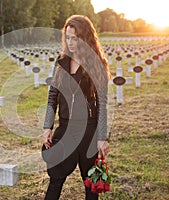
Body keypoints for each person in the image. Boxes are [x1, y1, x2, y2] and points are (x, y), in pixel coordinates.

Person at [42, 15, 110, 200]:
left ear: (85, 38)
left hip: (88, 130)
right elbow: (52, 97)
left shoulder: (97, 64)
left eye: (75, 38)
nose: (70, 42)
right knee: (56, 178)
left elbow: (102, 103)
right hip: (64, 129)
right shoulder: (61, 62)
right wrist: (48, 127)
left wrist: (102, 138)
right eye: (68, 37)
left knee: (90, 184)